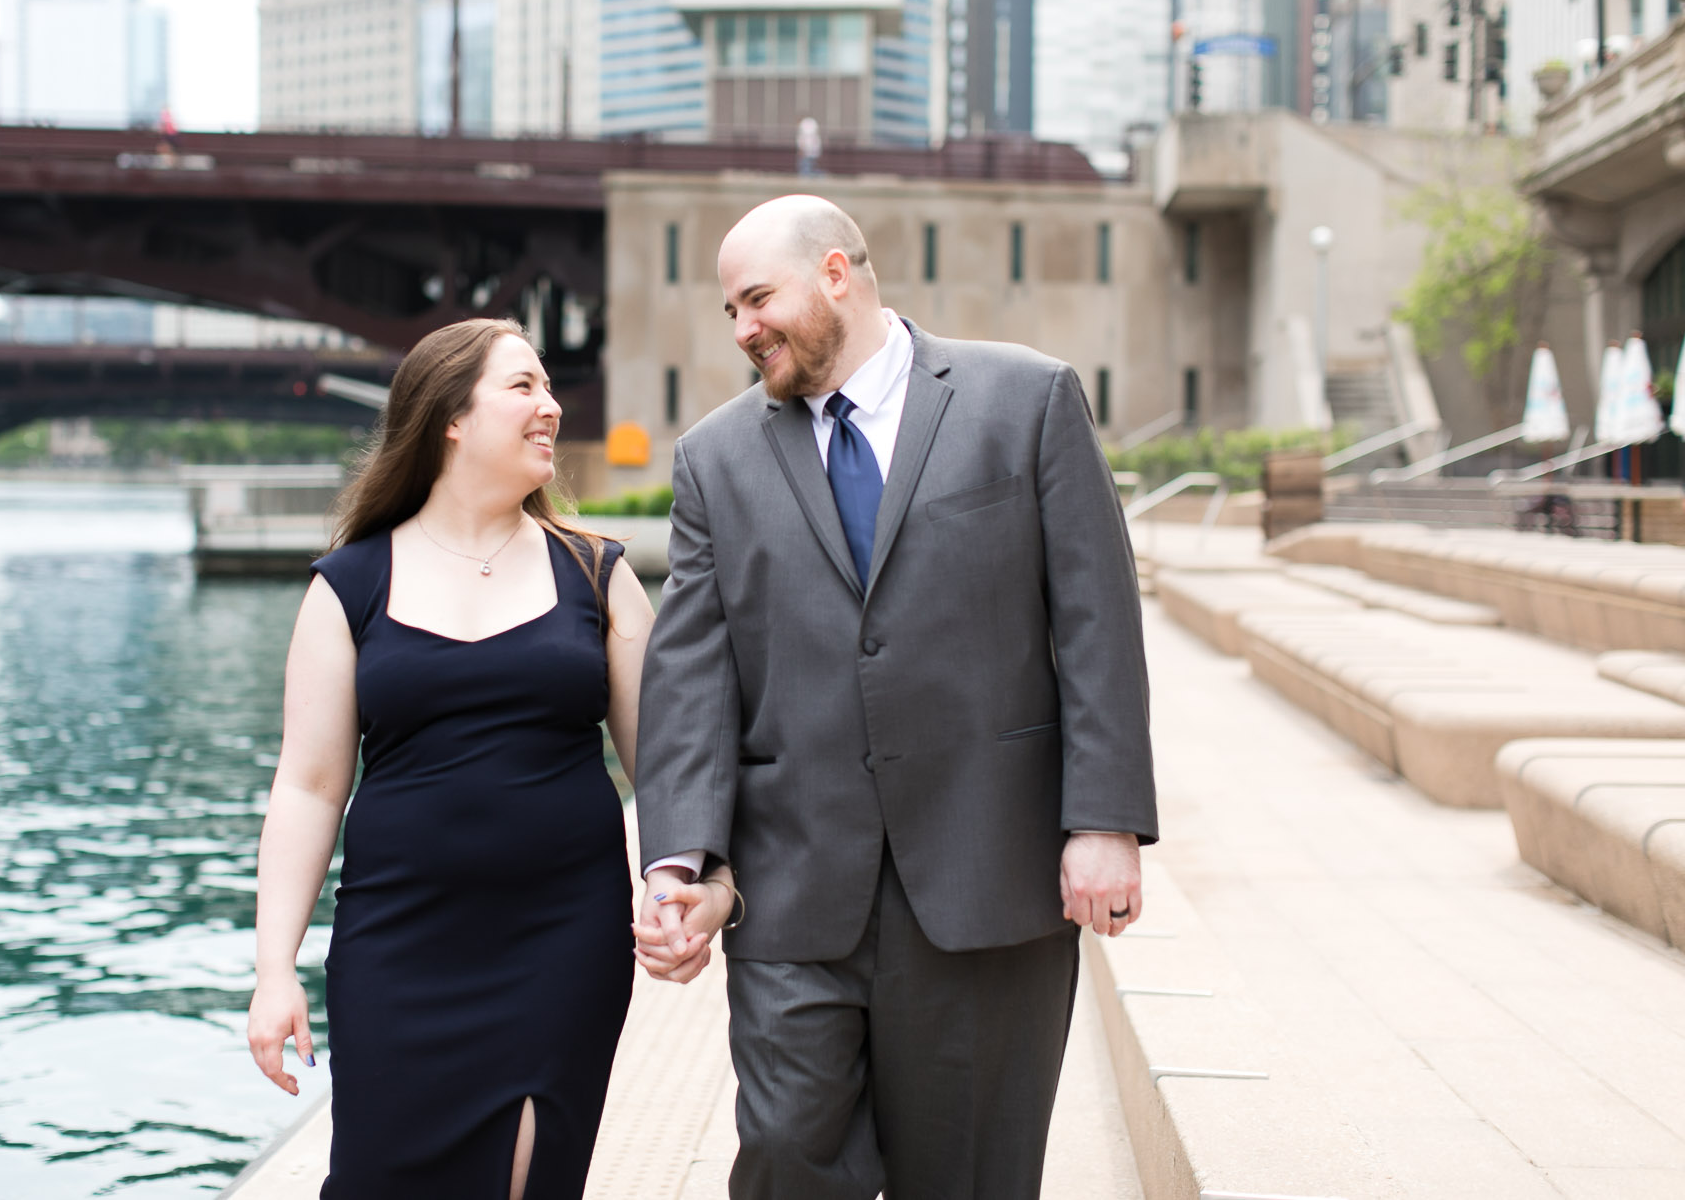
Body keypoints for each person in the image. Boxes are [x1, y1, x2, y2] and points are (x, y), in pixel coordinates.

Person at [632, 196, 1159, 1200]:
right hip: (792, 889)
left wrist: (1103, 820)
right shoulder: (713, 457)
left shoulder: (1027, 398)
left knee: (966, 1178)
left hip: (985, 875)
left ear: (835, 273)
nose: (742, 329)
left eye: (756, 299)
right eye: (728, 312)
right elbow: (691, 676)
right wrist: (679, 859)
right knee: (785, 1153)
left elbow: (1095, 618)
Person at [245, 318, 714, 1199]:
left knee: (529, 1177)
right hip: (399, 943)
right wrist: (276, 970)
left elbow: (666, 764)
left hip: (562, 940)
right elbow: (307, 789)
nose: (552, 405)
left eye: (547, 386)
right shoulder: (349, 583)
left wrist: (673, 884)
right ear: (450, 418)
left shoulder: (596, 571)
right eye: (524, 387)